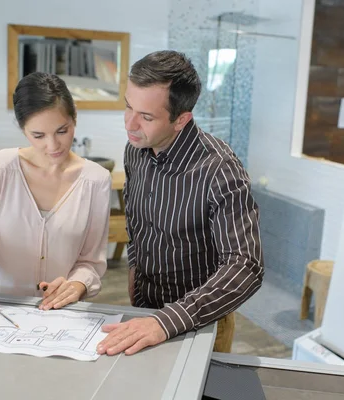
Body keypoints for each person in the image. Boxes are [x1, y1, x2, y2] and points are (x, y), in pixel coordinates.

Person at [97, 50, 263, 356]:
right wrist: (135, 264)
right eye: (127, 106)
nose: (129, 124)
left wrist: (167, 321)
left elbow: (246, 266)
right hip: (144, 310)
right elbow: (137, 216)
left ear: (181, 120)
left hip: (199, 322)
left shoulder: (219, 169)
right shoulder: (136, 149)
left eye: (146, 117)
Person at [0, 72, 112, 323]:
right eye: (38, 135)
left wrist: (77, 285)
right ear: (23, 129)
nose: (53, 145)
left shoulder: (96, 180)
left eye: (62, 130)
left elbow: (90, 262)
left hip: (61, 317)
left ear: (75, 118)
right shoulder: (0, 167)